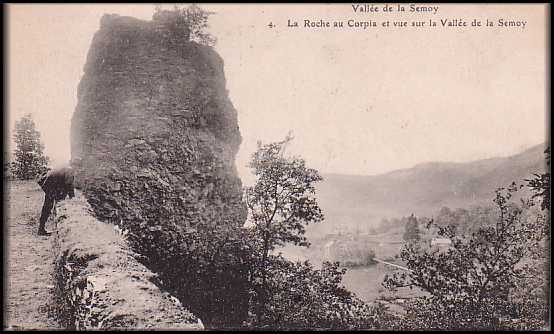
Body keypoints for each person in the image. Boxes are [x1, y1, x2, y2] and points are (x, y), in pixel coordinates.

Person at [37, 166, 75, 236]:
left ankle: (53, 227)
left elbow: (68, 185)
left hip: (50, 183)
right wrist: (72, 198)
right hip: (50, 183)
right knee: (49, 206)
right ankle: (42, 229)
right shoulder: (70, 170)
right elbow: (69, 185)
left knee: (54, 204)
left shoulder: (66, 169)